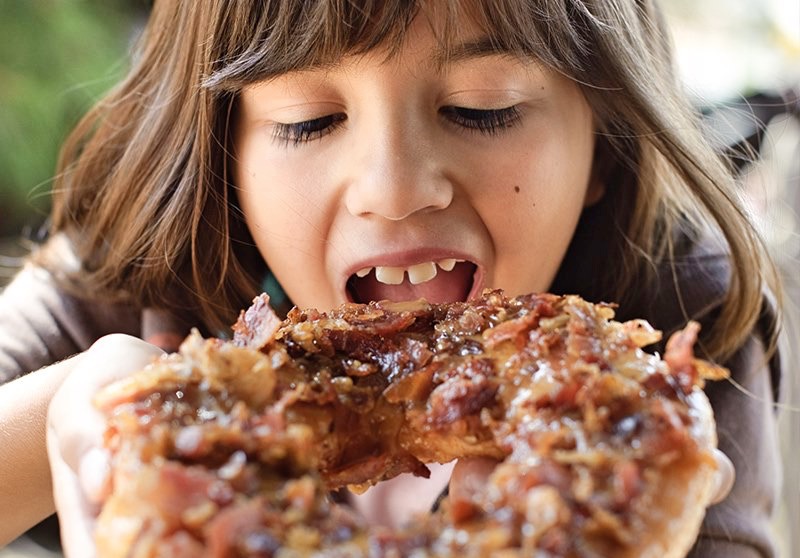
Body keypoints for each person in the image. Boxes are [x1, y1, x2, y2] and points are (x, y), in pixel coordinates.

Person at [0, 0, 782, 556]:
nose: (395, 187)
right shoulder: (140, 278)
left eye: (483, 107)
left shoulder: (682, 324)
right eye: (309, 118)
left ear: (604, 147)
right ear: (222, 154)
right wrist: (77, 408)